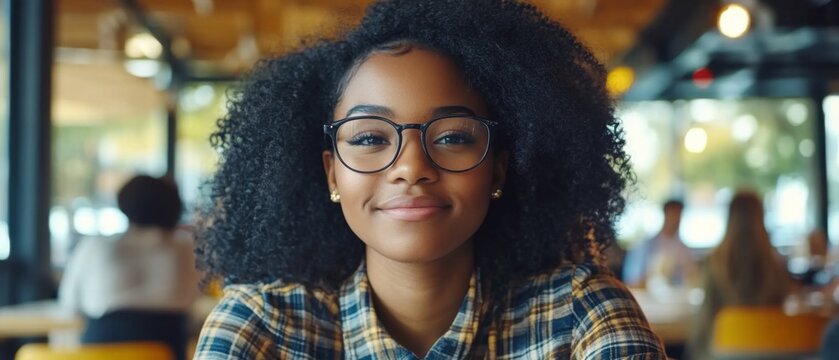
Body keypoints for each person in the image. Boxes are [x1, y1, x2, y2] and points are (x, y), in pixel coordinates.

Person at [193, 0, 666, 358]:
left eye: (454, 136)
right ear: (331, 172)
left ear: (498, 168)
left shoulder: (581, 317)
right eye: (369, 138)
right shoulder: (261, 328)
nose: (411, 166)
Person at [59, 175, 199, 360]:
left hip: (100, 349)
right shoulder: (188, 249)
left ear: (123, 204)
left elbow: (70, 304)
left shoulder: (96, 246)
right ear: (175, 205)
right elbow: (200, 298)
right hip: (168, 348)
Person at [686, 190, 791, 360]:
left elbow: (702, 324)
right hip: (771, 353)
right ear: (761, 216)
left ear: (729, 217)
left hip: (722, 354)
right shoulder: (775, 265)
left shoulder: (714, 263)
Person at [623, 200, 697, 288]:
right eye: (673, 215)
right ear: (665, 214)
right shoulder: (645, 245)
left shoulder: (684, 249)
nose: (675, 220)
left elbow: (692, 278)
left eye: (678, 216)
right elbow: (632, 280)